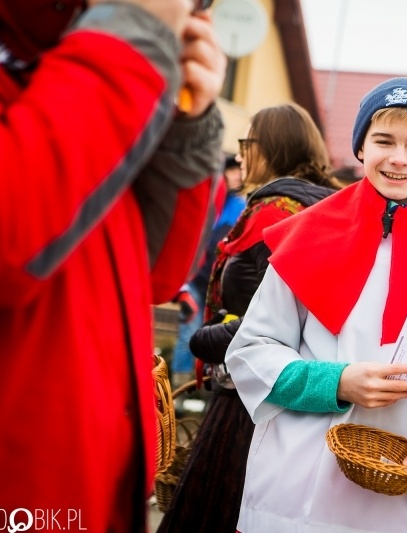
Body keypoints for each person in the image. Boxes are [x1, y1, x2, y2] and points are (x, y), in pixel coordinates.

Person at [0, 1, 225, 531]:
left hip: (86, 489)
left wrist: (184, 128)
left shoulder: (72, 57)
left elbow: (156, 270)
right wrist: (131, 38)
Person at [224, 77, 407, 532]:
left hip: (406, 494)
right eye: (383, 141)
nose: (399, 158)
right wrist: (337, 382)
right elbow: (250, 353)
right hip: (300, 483)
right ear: (361, 148)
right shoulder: (309, 233)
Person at [157, 103, 341, 533]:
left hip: (249, 399)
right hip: (269, 394)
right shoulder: (314, 208)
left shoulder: (277, 212)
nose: (240, 154)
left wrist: (204, 339)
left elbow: (273, 323)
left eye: (247, 142)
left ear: (271, 147)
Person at [170, 155, 246, 389]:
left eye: (238, 170)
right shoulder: (210, 201)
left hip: (217, 287)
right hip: (195, 282)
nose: (237, 175)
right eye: (231, 170)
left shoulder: (241, 207)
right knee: (188, 335)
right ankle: (180, 390)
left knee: (209, 338)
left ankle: (198, 388)